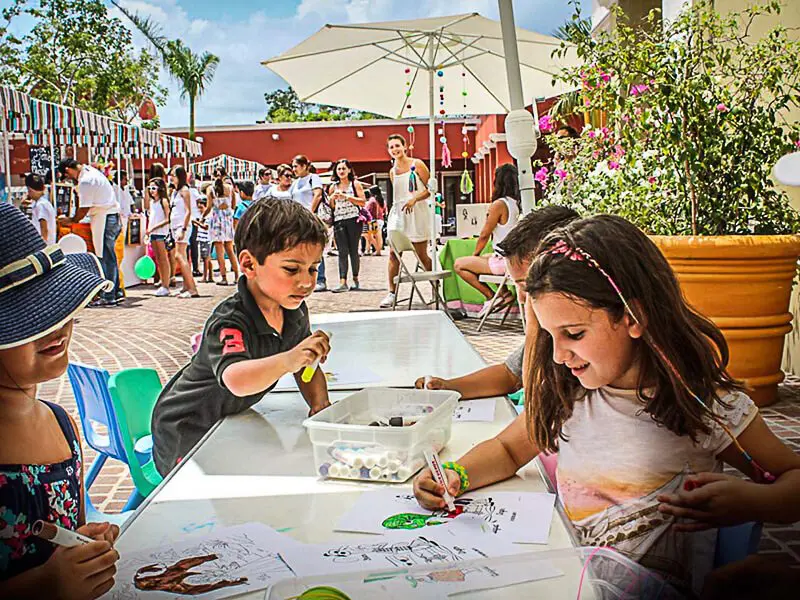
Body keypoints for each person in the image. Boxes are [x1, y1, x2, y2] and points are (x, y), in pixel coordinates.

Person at [414, 214, 800, 596]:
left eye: (574, 334)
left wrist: (755, 501)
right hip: (573, 582)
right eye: (550, 336)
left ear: (633, 316)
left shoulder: (701, 405)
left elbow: (791, 479)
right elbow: (508, 448)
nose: (560, 355)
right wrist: (455, 475)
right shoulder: (569, 393)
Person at [151, 199, 333, 476]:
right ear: (249, 263)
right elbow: (236, 379)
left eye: (313, 268)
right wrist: (289, 359)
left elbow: (306, 369)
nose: (306, 282)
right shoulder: (230, 321)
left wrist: (320, 405)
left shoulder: (293, 309)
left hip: (228, 420)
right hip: (186, 428)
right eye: (292, 269)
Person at [0, 203, 121, 598]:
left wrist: (82, 544)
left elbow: (59, 532)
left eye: (55, 309)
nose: (55, 328)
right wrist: (46, 585)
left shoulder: (61, 424)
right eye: (28, 322)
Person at [415, 206, 578, 399]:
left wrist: (533, 323)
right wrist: (449, 387)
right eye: (518, 285)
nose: (522, 297)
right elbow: (510, 374)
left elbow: (535, 399)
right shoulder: (550, 330)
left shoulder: (577, 339)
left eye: (527, 285)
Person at [453, 163, 522, 317]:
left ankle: (491, 296)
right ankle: (505, 294)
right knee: (486, 257)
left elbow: (485, 234)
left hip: (504, 263)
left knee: (459, 265)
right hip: (514, 259)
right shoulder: (517, 203)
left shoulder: (499, 204)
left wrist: (475, 254)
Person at [57, 158, 121, 308]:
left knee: (105, 257)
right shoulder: (91, 173)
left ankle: (108, 295)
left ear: (67, 170)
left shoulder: (86, 180)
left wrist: (71, 220)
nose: (69, 180)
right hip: (109, 216)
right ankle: (115, 291)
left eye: (67, 176)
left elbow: (83, 209)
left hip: (105, 218)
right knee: (109, 257)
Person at [380, 134, 432, 308]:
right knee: (394, 254)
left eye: (397, 146)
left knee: (422, 255)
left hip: (417, 212)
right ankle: (391, 293)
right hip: (398, 214)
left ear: (405, 146)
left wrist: (414, 199)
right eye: (391, 147)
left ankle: (436, 288)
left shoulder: (417, 164)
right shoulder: (392, 171)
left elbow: (429, 190)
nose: (395, 149)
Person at [290, 155, 327, 292]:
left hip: (311, 219)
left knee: (315, 248)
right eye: (293, 166)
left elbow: (318, 195)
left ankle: (321, 279)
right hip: (297, 220)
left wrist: (310, 213)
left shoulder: (313, 178)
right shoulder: (295, 183)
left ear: (304, 166)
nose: (294, 169)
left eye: (296, 166)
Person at [329, 159, 367, 293]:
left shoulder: (355, 184)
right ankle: (342, 282)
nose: (341, 171)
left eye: (344, 169)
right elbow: (332, 207)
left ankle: (355, 279)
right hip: (339, 220)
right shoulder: (333, 187)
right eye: (339, 169)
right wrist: (332, 199)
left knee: (353, 251)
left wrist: (346, 197)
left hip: (354, 220)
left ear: (349, 170)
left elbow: (362, 202)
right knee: (342, 252)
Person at [168, 166, 199, 298]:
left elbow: (188, 211)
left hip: (182, 226)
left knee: (179, 256)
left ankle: (192, 288)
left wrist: (184, 228)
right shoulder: (175, 191)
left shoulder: (185, 190)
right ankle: (186, 286)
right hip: (176, 226)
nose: (171, 177)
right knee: (182, 256)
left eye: (173, 175)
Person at [203, 168, 239, 286]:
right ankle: (237, 276)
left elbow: (208, 207)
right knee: (230, 249)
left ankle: (224, 277)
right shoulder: (230, 188)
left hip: (216, 219)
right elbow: (233, 205)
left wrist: (202, 217)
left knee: (219, 250)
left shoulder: (210, 189)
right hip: (227, 219)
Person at [146, 178, 173, 298]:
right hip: (153, 233)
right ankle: (163, 283)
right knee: (158, 259)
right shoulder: (153, 203)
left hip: (161, 233)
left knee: (163, 259)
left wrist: (154, 227)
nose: (151, 191)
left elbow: (168, 219)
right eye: (150, 188)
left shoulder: (164, 201)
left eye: (154, 188)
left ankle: (166, 285)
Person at [25, 173, 56, 246]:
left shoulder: (40, 205)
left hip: (44, 245)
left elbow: (43, 227)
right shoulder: (44, 202)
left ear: (30, 190)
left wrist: (42, 244)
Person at [187, 172, 204, 277]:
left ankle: (192, 267)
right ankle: (195, 268)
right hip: (193, 218)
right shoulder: (193, 191)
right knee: (193, 244)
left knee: (190, 245)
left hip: (190, 219)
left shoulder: (189, 191)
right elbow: (200, 201)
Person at [363, 186, 386, 257]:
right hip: (380, 219)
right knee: (378, 236)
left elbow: (367, 210)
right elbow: (385, 210)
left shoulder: (372, 199)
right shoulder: (382, 200)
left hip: (373, 219)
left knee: (368, 236)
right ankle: (372, 250)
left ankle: (377, 250)